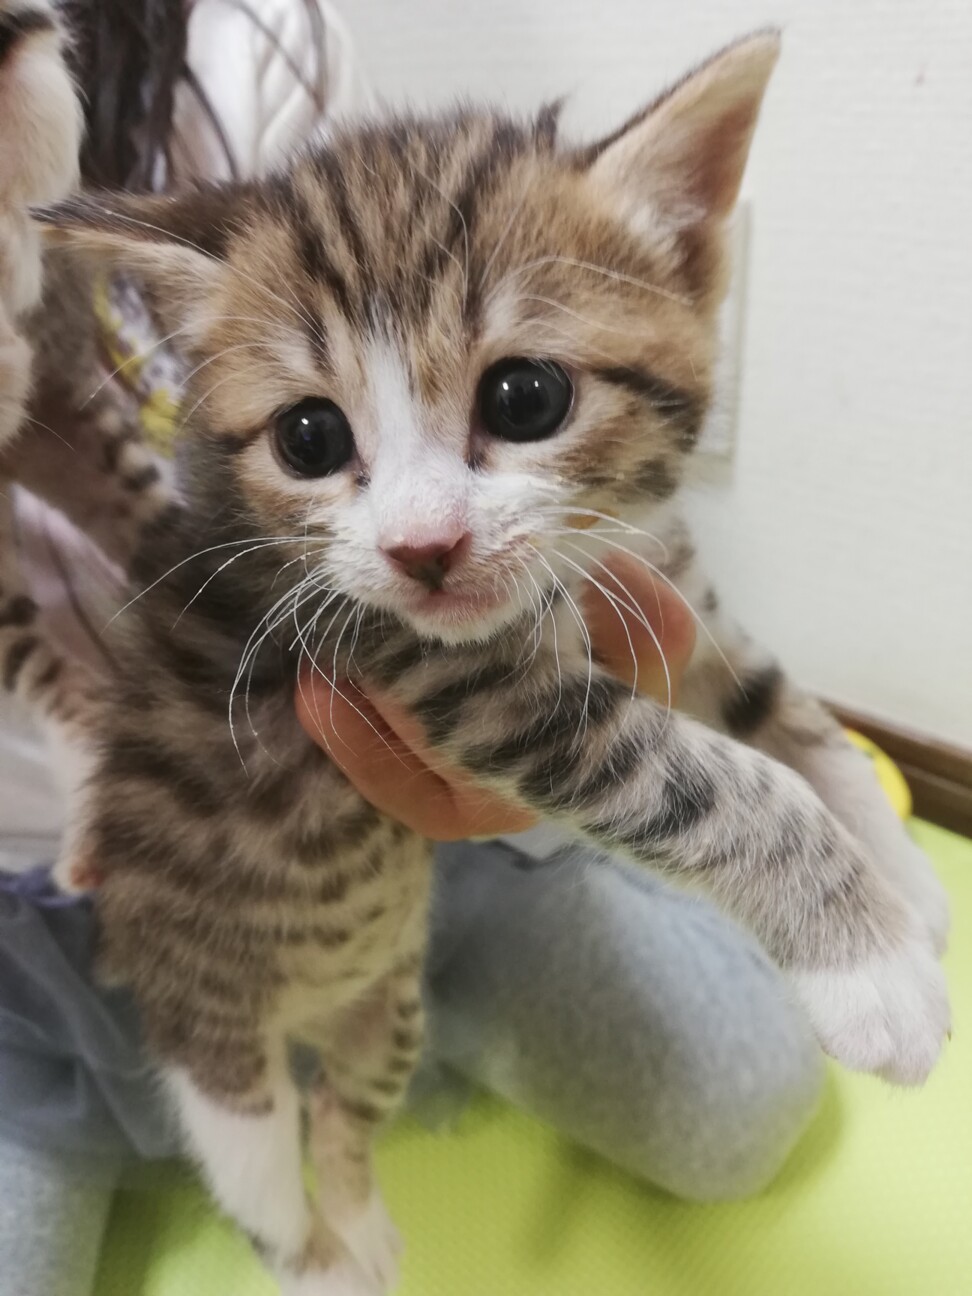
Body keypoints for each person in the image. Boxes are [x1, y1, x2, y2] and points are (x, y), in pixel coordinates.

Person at [0, 6, 823, 1295]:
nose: (421, 527)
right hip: (37, 891)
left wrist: (561, 732)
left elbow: (486, 441)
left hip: (382, 809)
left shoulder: (254, 47)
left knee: (746, 1098)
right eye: (314, 437)